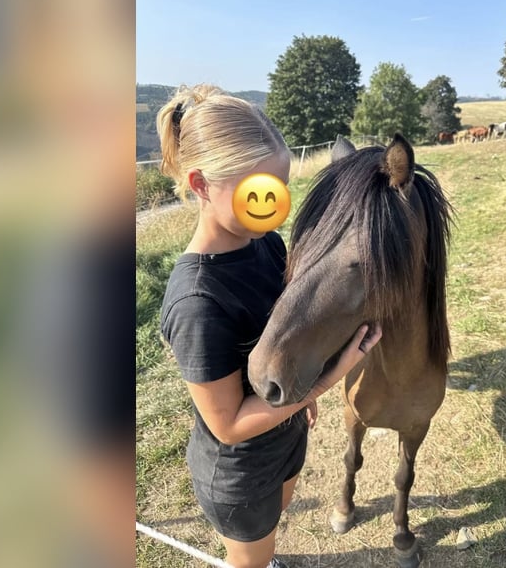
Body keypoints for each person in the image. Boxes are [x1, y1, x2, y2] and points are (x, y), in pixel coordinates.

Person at [157, 84, 382, 568]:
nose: (272, 205)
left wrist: (303, 398)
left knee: (274, 523)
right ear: (200, 185)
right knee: (251, 555)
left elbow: (289, 331)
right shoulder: (198, 301)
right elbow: (230, 425)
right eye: (257, 192)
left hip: (284, 433)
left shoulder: (268, 244)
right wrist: (324, 380)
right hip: (240, 474)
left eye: (277, 189)